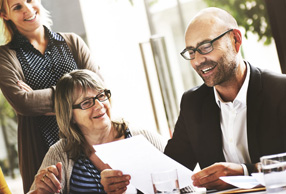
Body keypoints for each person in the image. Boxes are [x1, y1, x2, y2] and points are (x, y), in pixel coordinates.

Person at [164, 7, 286, 191]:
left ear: (235, 40)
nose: (197, 61)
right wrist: (122, 181)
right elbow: (168, 171)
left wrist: (246, 172)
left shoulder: (280, 91)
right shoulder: (192, 104)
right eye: (191, 52)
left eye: (206, 47)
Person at [0, 0, 101, 192]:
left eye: (29, 0)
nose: (28, 9)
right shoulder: (5, 56)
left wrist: (43, 103)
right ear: (5, 15)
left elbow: (97, 88)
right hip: (41, 147)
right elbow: (24, 104)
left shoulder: (72, 42)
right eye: (17, 7)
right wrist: (78, 102)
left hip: (88, 142)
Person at [28, 69, 167, 194]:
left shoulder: (144, 137)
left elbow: (185, 188)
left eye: (101, 95)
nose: (100, 105)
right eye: (87, 102)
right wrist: (40, 192)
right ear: (70, 115)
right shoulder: (60, 153)